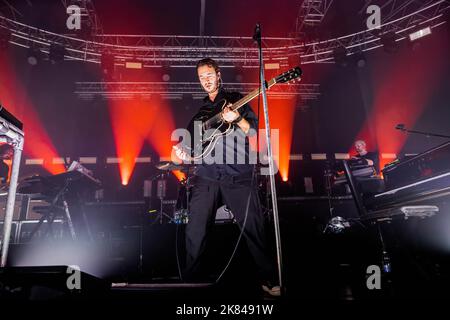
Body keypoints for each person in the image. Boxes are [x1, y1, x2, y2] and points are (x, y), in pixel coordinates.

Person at [173, 58, 279, 297]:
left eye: (209, 74)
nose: (206, 80)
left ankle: (270, 280)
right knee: (196, 230)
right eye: (201, 77)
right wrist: (179, 151)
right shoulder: (200, 114)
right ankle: (190, 282)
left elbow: (253, 131)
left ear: (218, 74)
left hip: (238, 175)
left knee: (253, 228)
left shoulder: (237, 100)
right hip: (206, 176)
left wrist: (238, 119)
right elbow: (186, 148)